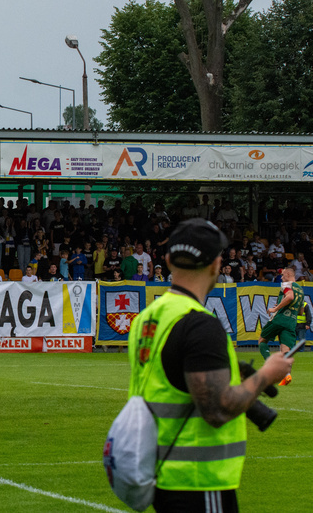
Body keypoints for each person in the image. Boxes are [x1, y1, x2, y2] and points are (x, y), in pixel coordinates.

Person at [127, 218, 292, 512]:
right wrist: (268, 374)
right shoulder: (200, 325)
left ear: (167, 260)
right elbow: (217, 410)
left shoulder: (146, 320)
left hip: (162, 472)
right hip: (200, 479)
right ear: (217, 264)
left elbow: (171, 379)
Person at [261, 265, 304, 385]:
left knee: (262, 341)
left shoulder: (286, 285)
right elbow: (301, 311)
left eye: (283, 274)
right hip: (292, 321)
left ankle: (272, 368)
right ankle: (287, 375)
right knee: (286, 349)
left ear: (289, 275)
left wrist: (276, 309)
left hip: (280, 318)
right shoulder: (301, 289)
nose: (281, 276)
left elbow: (289, 297)